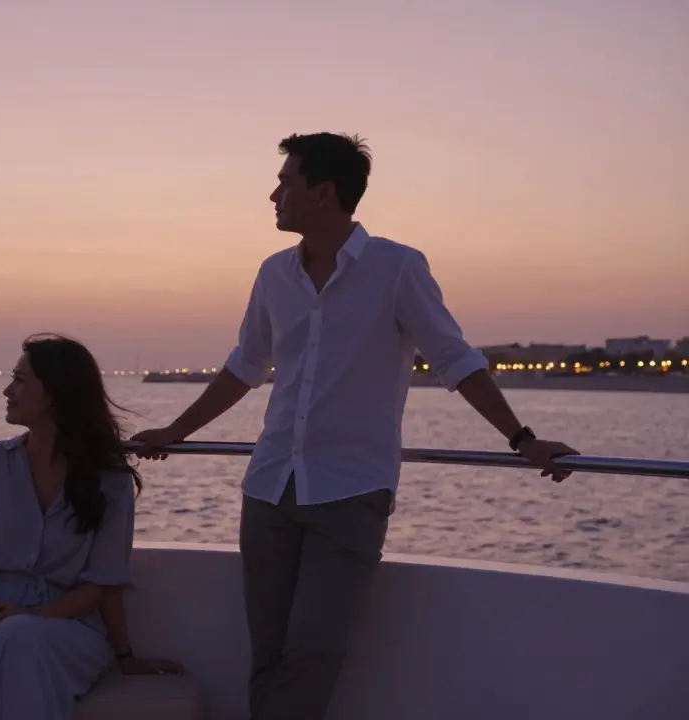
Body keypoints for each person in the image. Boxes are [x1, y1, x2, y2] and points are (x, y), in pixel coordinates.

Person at [131, 132, 580, 720]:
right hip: (268, 488)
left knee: (314, 648)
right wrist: (174, 431)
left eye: (286, 182)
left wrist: (521, 439)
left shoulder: (397, 268)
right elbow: (246, 366)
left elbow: (454, 359)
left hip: (350, 492)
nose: (273, 195)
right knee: (267, 649)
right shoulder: (273, 275)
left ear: (324, 192)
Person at [0, 333, 181, 720]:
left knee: (18, 640)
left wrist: (125, 655)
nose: (7, 390)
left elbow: (102, 584)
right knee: (4, 643)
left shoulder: (108, 480)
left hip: (66, 626)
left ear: (54, 394)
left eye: (20, 379)